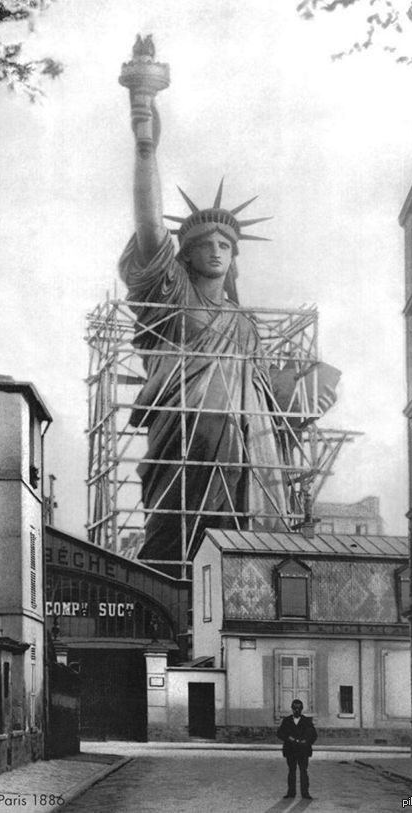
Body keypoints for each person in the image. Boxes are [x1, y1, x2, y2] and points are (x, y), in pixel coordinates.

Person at [118, 96, 289, 573]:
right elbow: (149, 225)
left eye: (224, 246)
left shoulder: (243, 324)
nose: (215, 252)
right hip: (181, 434)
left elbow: (265, 399)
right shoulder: (173, 296)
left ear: (234, 257)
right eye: (203, 245)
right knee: (172, 535)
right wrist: (145, 144)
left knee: (230, 537)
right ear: (185, 256)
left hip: (235, 441)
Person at [277, 698, 317, 800]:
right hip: (291, 750)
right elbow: (280, 733)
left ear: (302, 709)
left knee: (303, 771)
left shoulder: (307, 721)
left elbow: (314, 735)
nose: (297, 710)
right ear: (292, 709)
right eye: (295, 708)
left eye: (299, 708)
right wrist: (288, 738)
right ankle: (291, 793)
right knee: (291, 771)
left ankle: (305, 793)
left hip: (303, 751)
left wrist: (306, 741)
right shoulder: (287, 721)